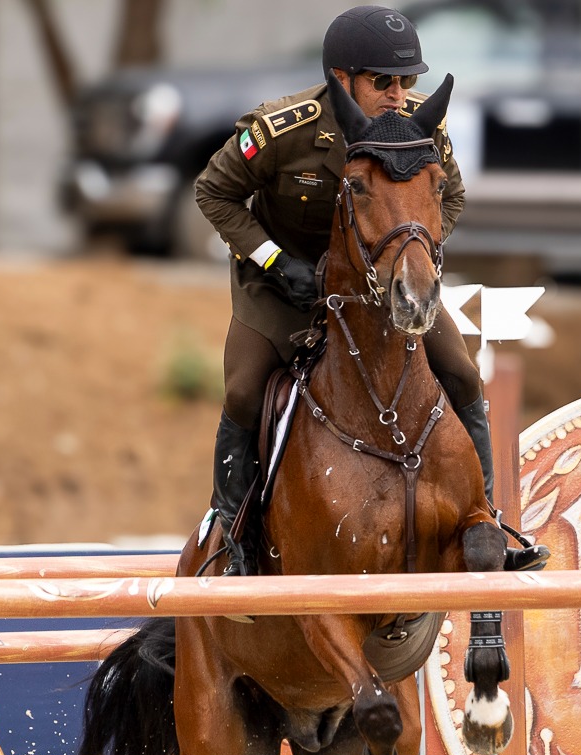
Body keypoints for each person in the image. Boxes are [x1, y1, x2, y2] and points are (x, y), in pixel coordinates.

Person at [194, 5, 489, 575]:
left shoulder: (419, 132)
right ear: (342, 80)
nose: (399, 94)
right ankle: (231, 537)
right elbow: (214, 193)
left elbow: (448, 198)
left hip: (379, 286)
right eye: (384, 82)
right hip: (284, 285)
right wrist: (276, 262)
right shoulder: (284, 130)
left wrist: (413, 255)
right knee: (245, 391)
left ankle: (491, 519)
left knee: (461, 372)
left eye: (408, 81)